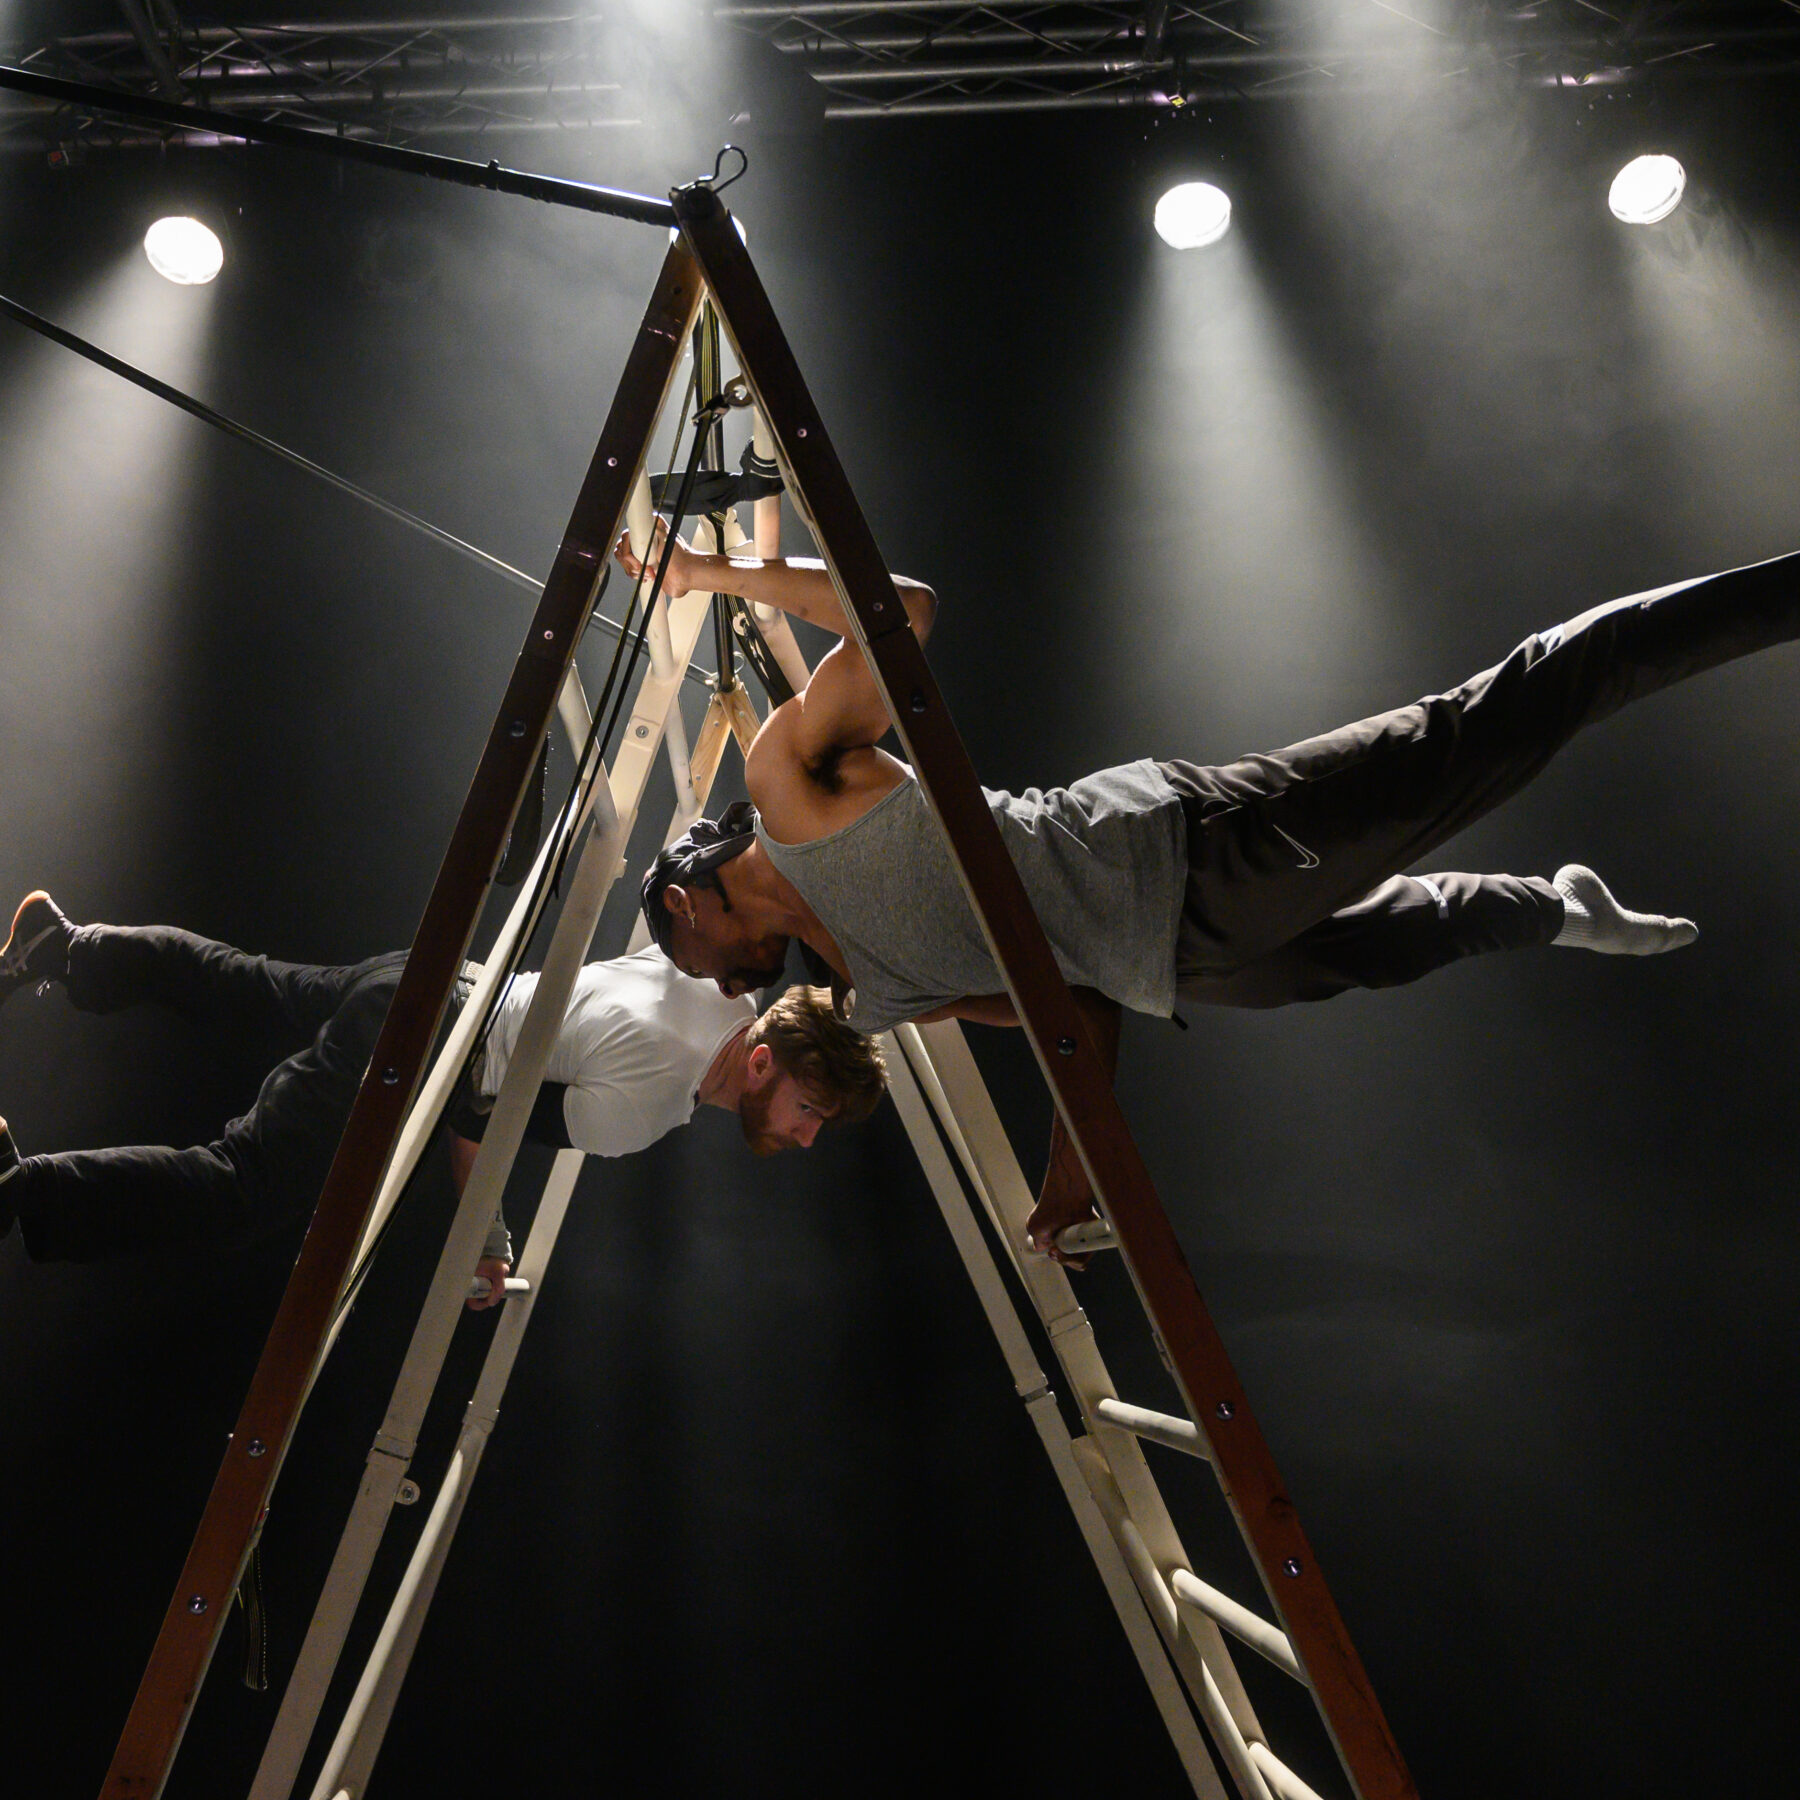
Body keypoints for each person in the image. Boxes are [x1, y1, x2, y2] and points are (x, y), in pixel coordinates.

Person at [616, 523, 1798, 1263]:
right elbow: (1073, 1015)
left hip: (1179, 854)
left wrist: (705, 571)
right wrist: (1069, 1187)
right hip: (1174, 959)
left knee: (1490, 723)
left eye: (699, 967)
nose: (724, 986)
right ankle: (1557, 907)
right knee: (1373, 953)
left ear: (685, 904)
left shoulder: (790, 789)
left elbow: (904, 612)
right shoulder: (877, 992)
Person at [0, 893, 886, 1302]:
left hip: (429, 980)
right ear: (765, 1067)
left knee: (246, 984)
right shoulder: (654, 1103)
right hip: (426, 1046)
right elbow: (475, 1118)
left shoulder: (722, 985)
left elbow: (691, 880)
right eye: (811, 1110)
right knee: (242, 1187)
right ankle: (23, 1192)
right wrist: (486, 1244)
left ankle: (68, 945)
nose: (807, 1139)